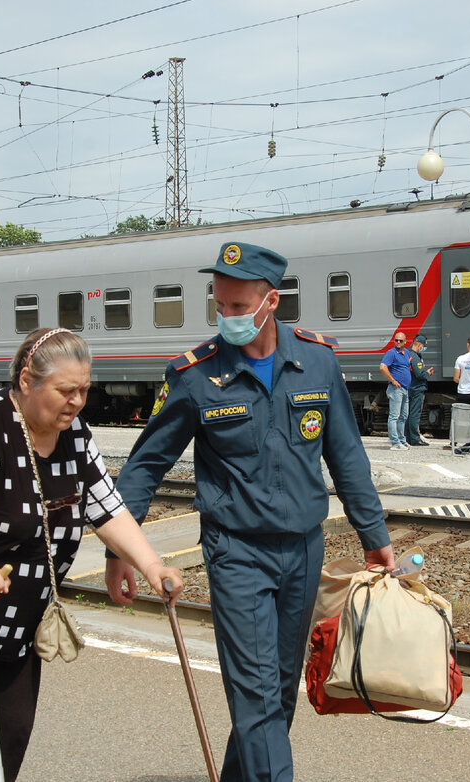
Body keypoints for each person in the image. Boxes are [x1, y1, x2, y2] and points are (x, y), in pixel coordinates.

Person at [108, 241, 395, 782]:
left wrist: (373, 536)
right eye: (222, 307)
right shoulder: (195, 376)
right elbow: (145, 465)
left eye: (239, 308)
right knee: (257, 692)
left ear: (272, 303)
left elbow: (347, 456)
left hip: (304, 550)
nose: (229, 319)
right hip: (236, 551)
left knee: (278, 694)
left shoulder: (317, 360)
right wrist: (122, 549)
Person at [0, 328, 182, 782]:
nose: (77, 402)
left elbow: (106, 507)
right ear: (27, 380)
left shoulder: (74, 433)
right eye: (66, 390)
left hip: (17, 618)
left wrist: (152, 565)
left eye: (84, 390)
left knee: (8, 734)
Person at [447, 334, 470, 451]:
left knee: (458, 416)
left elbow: (456, 378)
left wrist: (463, 381)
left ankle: (454, 440)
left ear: (468, 345)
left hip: (463, 392)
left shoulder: (461, 359)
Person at [379, 331, 412, 450]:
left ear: (405, 341)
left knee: (403, 416)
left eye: (400, 340)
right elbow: (382, 367)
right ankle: (395, 442)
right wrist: (393, 380)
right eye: (396, 340)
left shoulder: (406, 353)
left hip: (405, 389)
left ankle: (402, 440)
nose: (398, 342)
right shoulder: (391, 353)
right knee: (394, 416)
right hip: (396, 389)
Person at [405, 333, 432, 446]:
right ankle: (415, 439)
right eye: (424, 345)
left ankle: (408, 438)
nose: (424, 348)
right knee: (414, 414)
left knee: (407, 414)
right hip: (417, 388)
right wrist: (427, 373)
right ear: (419, 344)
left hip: (410, 387)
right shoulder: (415, 357)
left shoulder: (407, 354)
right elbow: (419, 374)